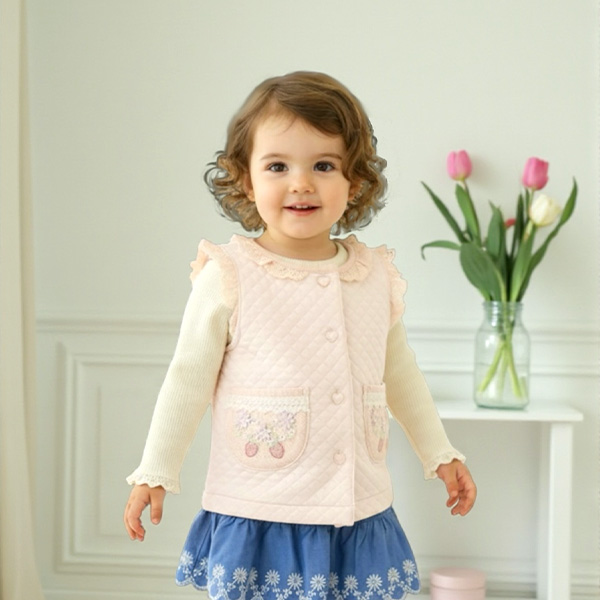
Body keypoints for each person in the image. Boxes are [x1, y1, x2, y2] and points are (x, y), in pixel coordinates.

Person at [124, 71, 476, 599]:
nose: (301, 183)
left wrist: (439, 452)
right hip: (262, 504)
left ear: (355, 182)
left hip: (355, 505)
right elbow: (187, 380)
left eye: (324, 166)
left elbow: (399, 372)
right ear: (246, 180)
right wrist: (156, 469)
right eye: (277, 166)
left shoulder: (373, 275)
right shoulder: (229, 274)